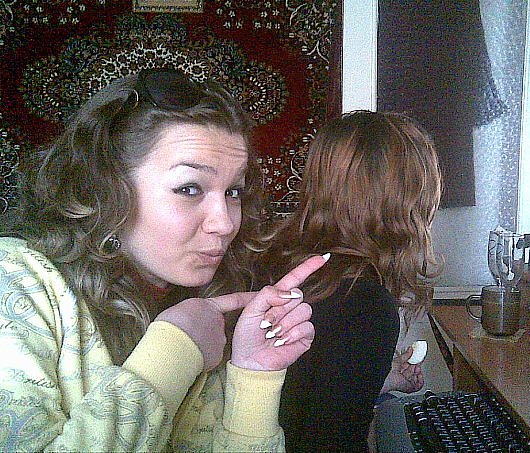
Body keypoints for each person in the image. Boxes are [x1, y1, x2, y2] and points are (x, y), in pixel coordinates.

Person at [0, 68, 330, 451]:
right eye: (189, 188)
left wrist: (253, 378)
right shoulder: (16, 279)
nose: (225, 223)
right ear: (107, 189)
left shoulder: (204, 302)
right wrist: (174, 349)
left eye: (234, 191)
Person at [253, 110, 442, 451]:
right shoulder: (366, 305)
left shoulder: (280, 263)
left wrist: (379, 379)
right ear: (408, 203)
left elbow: (304, 399)